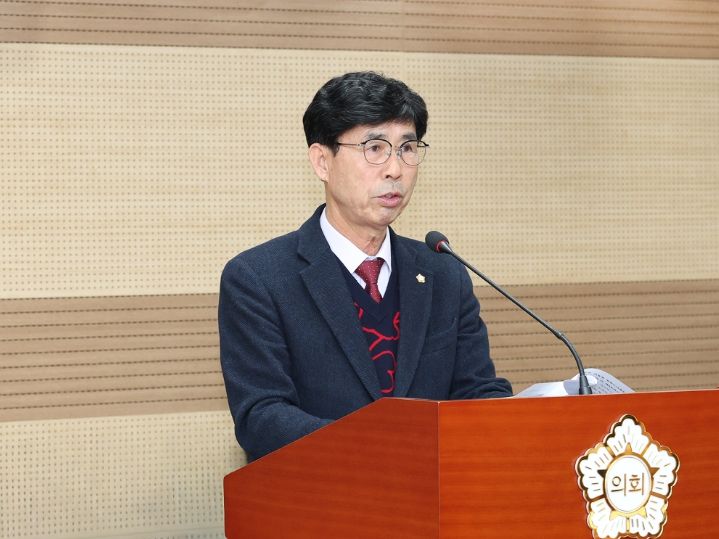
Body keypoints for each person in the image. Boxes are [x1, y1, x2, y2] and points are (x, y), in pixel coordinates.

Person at [219, 71, 512, 462]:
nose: (395, 169)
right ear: (322, 162)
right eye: (375, 148)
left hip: (436, 493)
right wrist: (382, 448)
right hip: (322, 492)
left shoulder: (443, 272)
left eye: (407, 148)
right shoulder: (259, 279)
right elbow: (262, 418)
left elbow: (476, 391)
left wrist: (513, 415)